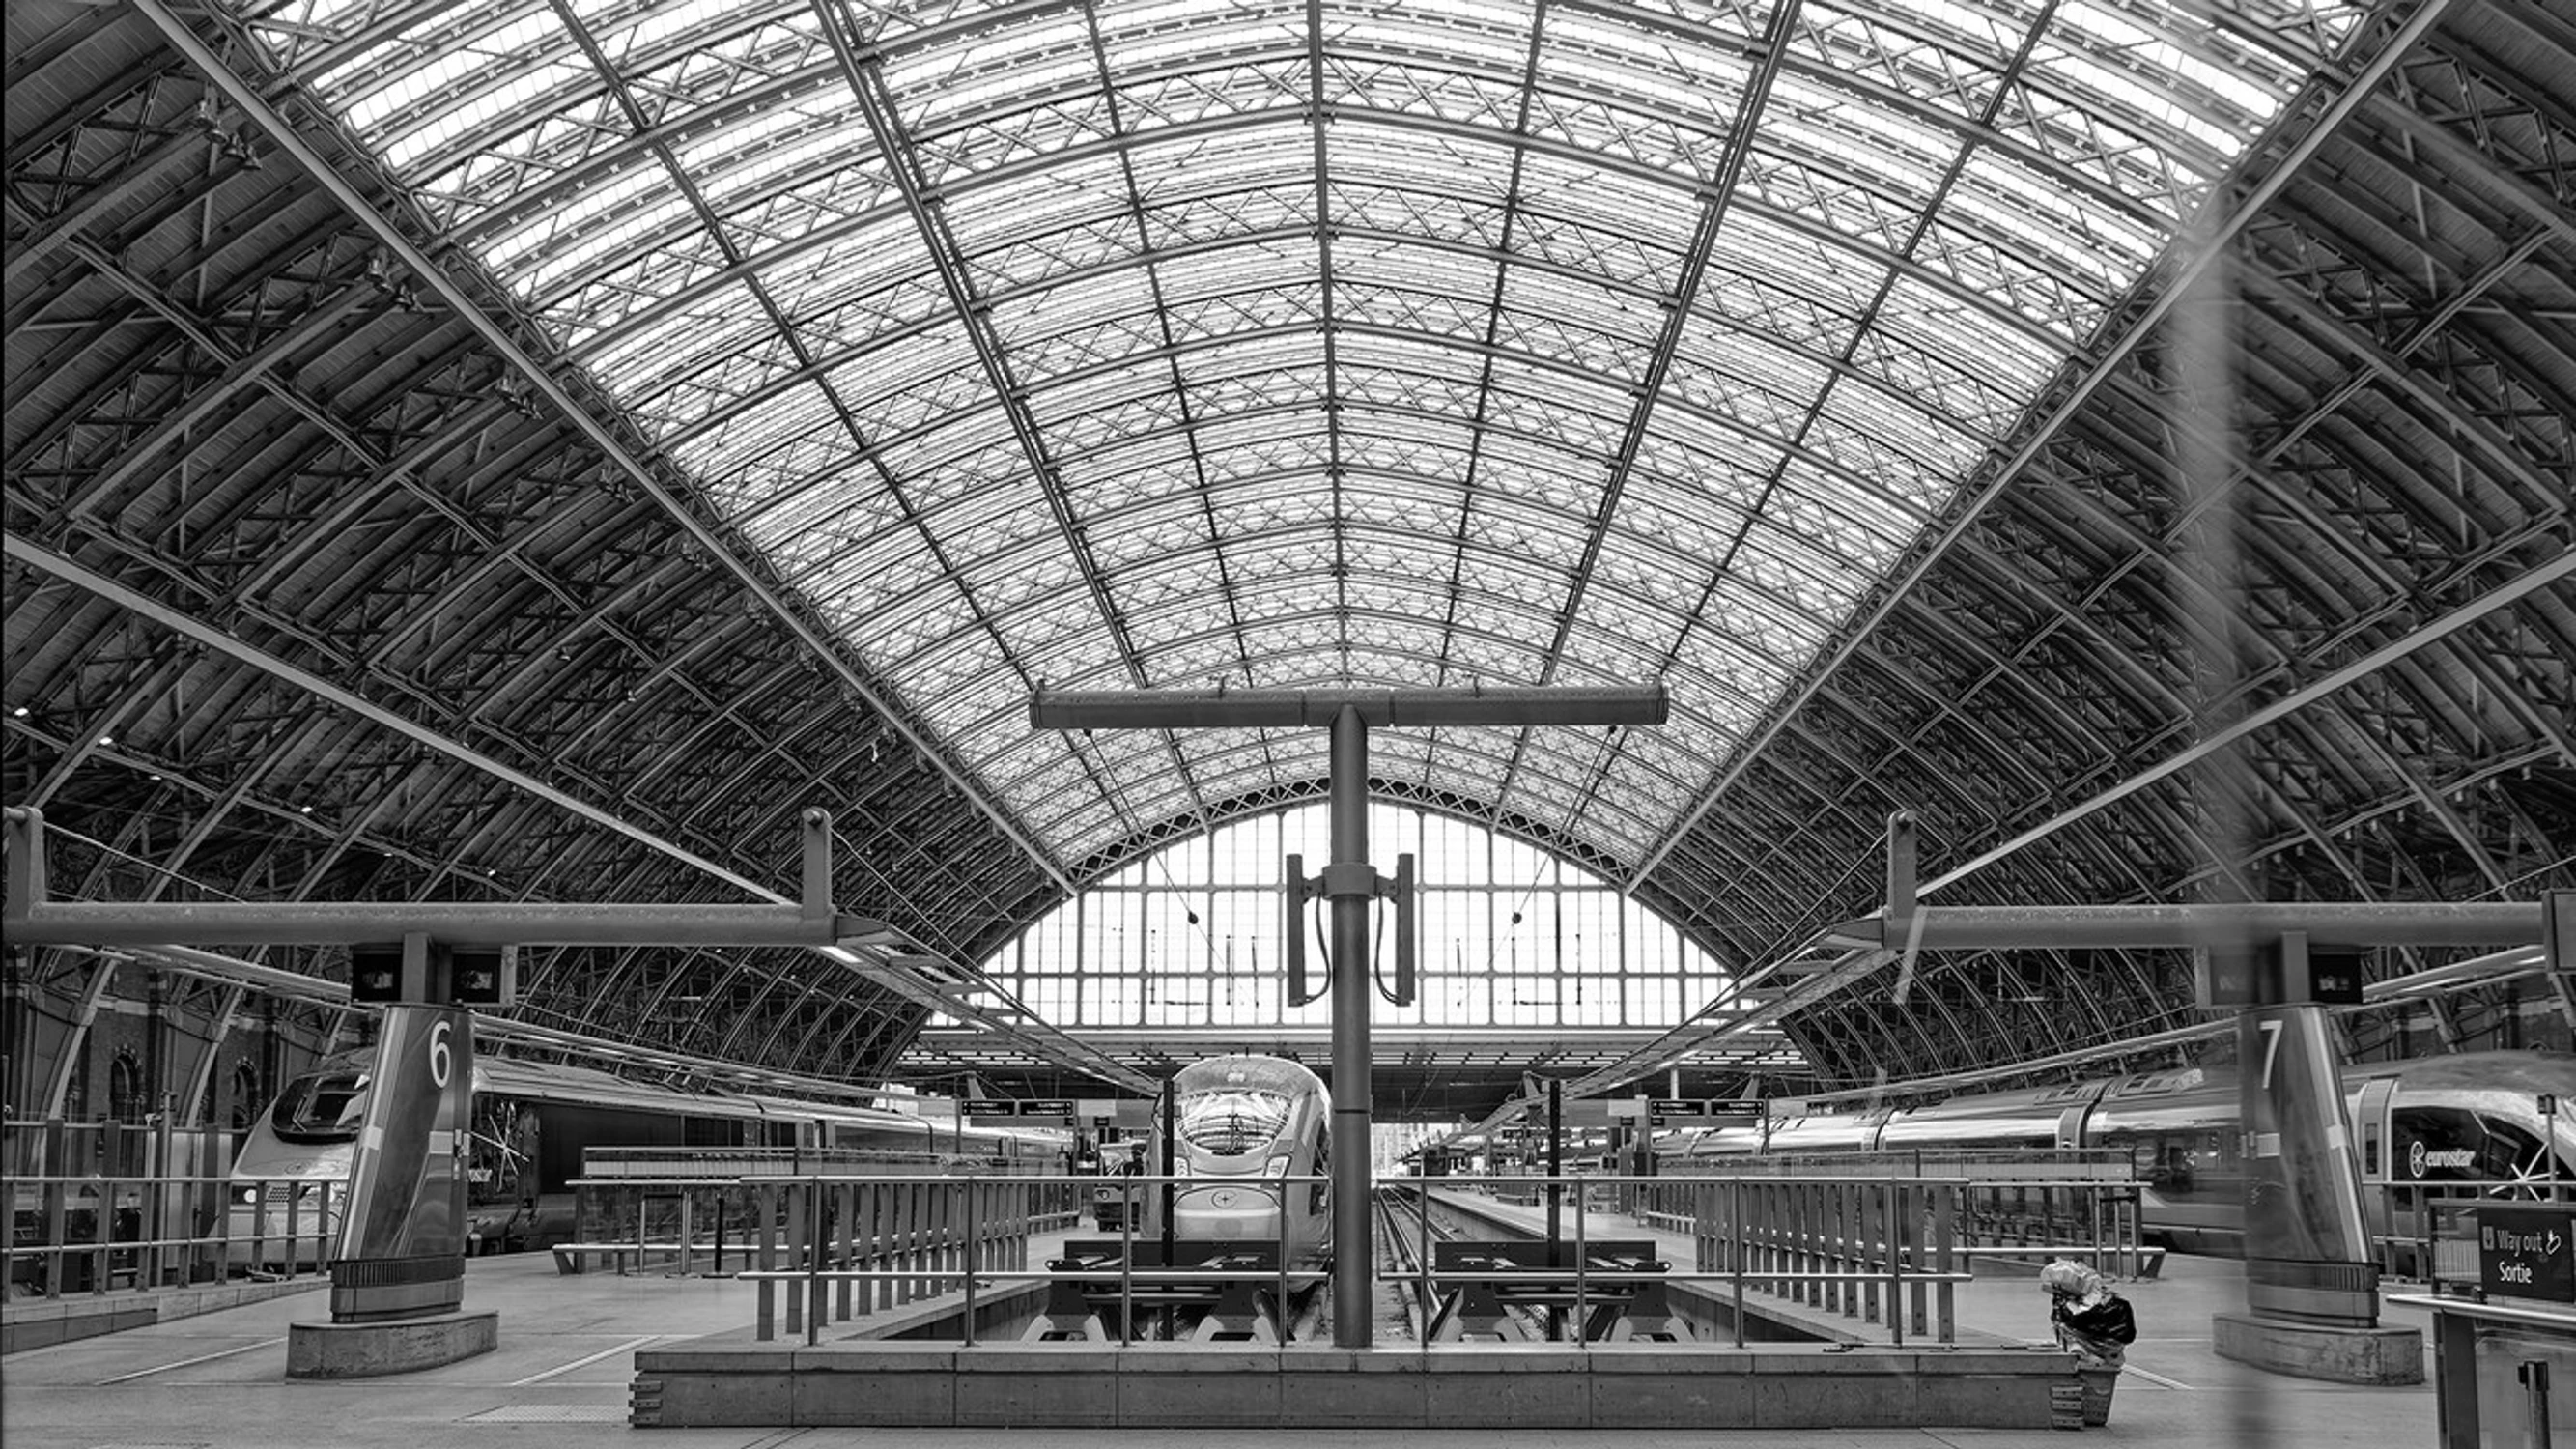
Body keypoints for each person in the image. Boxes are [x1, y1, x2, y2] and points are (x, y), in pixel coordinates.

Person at [2040, 1258, 2136, 1370]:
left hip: (2099, 1341)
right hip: (2108, 1342)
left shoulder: (2092, 1303)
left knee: (2065, 1326)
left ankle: (2085, 1352)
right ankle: (2094, 1354)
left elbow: (2078, 1319)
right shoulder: (2109, 1303)